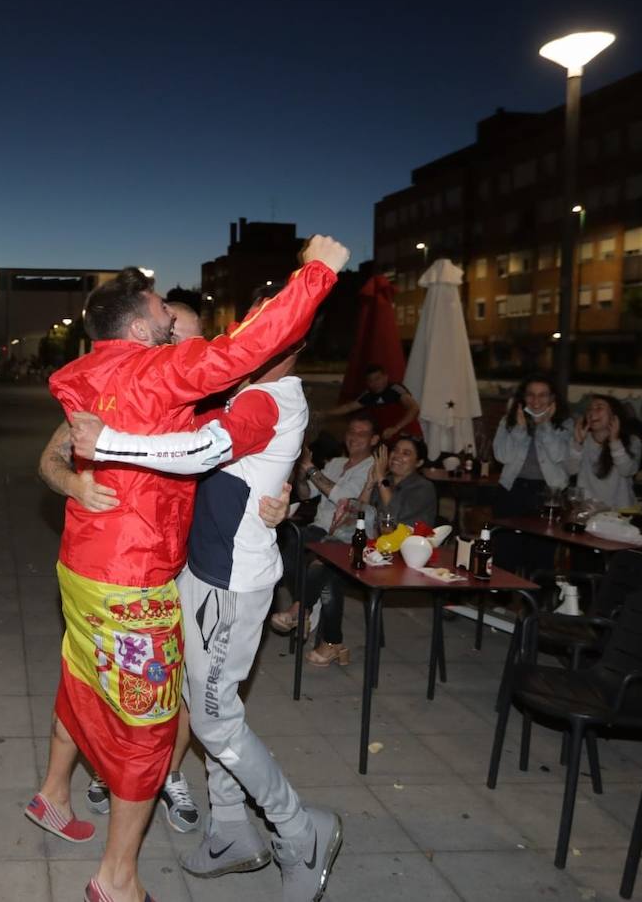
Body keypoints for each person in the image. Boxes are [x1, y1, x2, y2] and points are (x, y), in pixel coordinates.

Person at [27, 239, 346, 902]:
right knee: (172, 719)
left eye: (258, 322)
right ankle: (147, 863)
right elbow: (198, 427)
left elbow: (198, 448)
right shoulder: (165, 373)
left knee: (198, 710)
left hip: (126, 572)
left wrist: (279, 498)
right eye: (163, 313)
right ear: (141, 324)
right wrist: (314, 273)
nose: (182, 328)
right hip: (145, 576)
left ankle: (259, 828)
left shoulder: (93, 374)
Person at [43, 303, 207, 834]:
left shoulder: (205, 393)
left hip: (184, 560)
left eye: (192, 334)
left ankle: (55, 795)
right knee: (144, 706)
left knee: (100, 683)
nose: (180, 340)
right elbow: (49, 459)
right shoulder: (113, 389)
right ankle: (117, 867)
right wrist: (76, 485)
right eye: (173, 327)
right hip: (130, 570)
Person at [273, 435, 437, 662]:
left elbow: (393, 520)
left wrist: (380, 479)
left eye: (406, 453)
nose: (397, 456)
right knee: (327, 567)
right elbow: (360, 513)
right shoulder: (384, 480)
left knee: (326, 566)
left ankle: (303, 613)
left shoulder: (423, 487)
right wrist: (370, 485)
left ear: (419, 462)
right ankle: (328, 638)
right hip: (375, 553)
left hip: (404, 559)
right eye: (396, 451)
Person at [491, 373, 573, 574]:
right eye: (531, 395)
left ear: (552, 398)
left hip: (548, 494)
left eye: (542, 395)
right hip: (513, 489)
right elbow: (502, 456)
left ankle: (535, 602)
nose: (536, 401)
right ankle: (502, 601)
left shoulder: (565, 422)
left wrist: (544, 426)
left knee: (541, 553)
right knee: (506, 550)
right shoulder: (509, 420)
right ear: (523, 397)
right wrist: (519, 429)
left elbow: (560, 455)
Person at [565, 394, 642, 509]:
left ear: (614, 416)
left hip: (620, 512)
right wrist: (578, 444)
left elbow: (627, 470)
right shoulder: (582, 438)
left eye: (599, 408)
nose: (592, 412)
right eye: (589, 409)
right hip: (587, 510)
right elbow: (571, 470)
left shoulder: (632, 441)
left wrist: (614, 442)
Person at [327, 364, 421, 440]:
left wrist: (396, 428)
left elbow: (414, 408)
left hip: (408, 435)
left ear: (385, 377)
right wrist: (324, 413)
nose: (375, 383)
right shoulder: (368, 395)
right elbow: (348, 407)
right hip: (387, 438)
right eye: (370, 380)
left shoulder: (395, 389)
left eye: (377, 378)